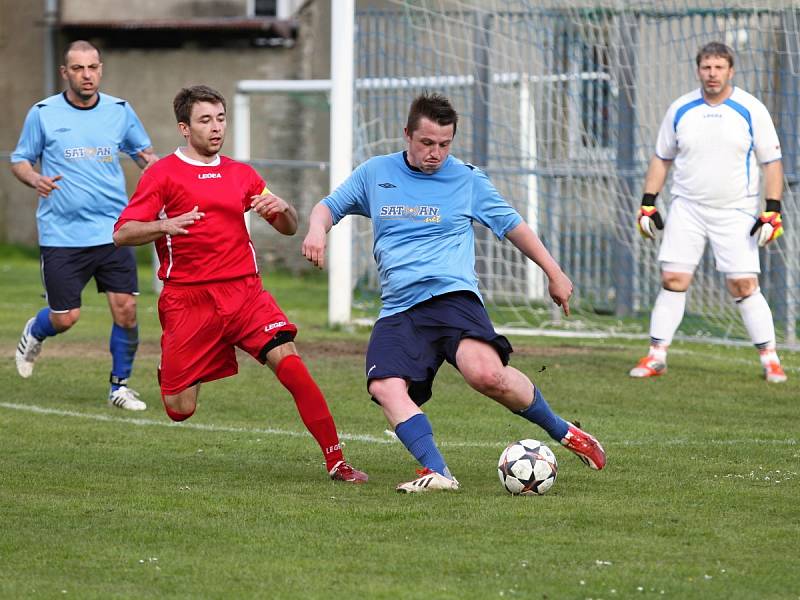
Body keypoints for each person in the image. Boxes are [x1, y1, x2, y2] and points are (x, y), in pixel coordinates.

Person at [302, 92, 606, 493]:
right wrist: (315, 231)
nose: (435, 153)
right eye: (427, 143)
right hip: (400, 309)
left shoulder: (466, 179)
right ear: (407, 134)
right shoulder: (376, 173)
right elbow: (328, 206)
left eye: (444, 144)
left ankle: (565, 432)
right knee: (385, 386)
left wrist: (553, 271)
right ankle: (439, 473)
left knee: (486, 375)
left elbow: (514, 226)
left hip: (451, 298)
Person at [112, 85, 368, 484]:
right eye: (205, 120)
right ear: (184, 127)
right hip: (188, 300)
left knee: (291, 364)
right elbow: (122, 232)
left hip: (245, 291)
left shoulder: (241, 173)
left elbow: (288, 227)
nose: (216, 128)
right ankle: (171, 366)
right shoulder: (162, 175)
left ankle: (337, 462)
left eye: (220, 118)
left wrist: (282, 209)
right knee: (181, 408)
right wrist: (164, 225)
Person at [11, 40, 158, 410]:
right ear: (66, 73)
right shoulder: (42, 114)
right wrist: (34, 179)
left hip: (113, 230)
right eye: (78, 68)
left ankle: (119, 387)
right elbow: (20, 161)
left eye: (92, 67)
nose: (86, 75)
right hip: (62, 234)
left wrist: (165, 176)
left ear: (101, 69)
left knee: (125, 309)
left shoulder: (120, 111)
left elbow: (145, 156)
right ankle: (36, 330)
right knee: (66, 318)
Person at [631, 41, 787, 383]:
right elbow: (662, 158)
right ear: (698, 70)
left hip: (737, 210)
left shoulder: (751, 108)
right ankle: (656, 356)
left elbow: (772, 163)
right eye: (706, 67)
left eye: (719, 67)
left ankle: (770, 359)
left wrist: (772, 209)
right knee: (673, 279)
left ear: (731, 71)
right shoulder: (680, 109)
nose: (712, 74)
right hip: (687, 207)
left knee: (744, 283)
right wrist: (648, 201)